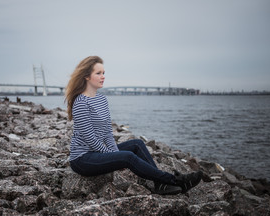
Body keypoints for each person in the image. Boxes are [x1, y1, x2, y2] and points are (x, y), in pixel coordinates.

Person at [65, 56, 202, 195]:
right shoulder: (81, 103)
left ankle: (160, 184)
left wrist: (113, 153)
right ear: (87, 76)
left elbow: (107, 133)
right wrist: (115, 155)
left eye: (104, 73)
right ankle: (175, 180)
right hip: (82, 159)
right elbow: (90, 139)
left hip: (97, 153)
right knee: (127, 157)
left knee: (136, 144)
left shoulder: (102, 99)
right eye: (98, 73)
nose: (103, 77)